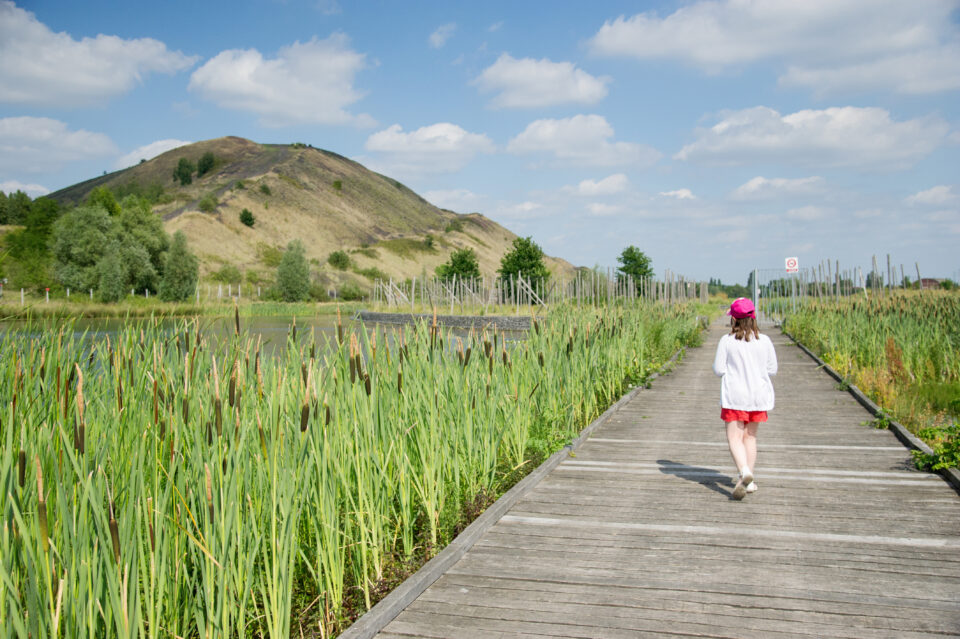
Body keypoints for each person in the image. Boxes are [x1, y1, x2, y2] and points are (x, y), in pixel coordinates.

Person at [713, 298, 777, 500]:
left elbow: (719, 369)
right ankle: (749, 481)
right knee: (750, 437)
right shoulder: (764, 340)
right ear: (753, 317)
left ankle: (744, 472)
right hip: (758, 396)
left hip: (735, 395)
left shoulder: (727, 341)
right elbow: (772, 369)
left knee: (734, 438)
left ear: (734, 318)